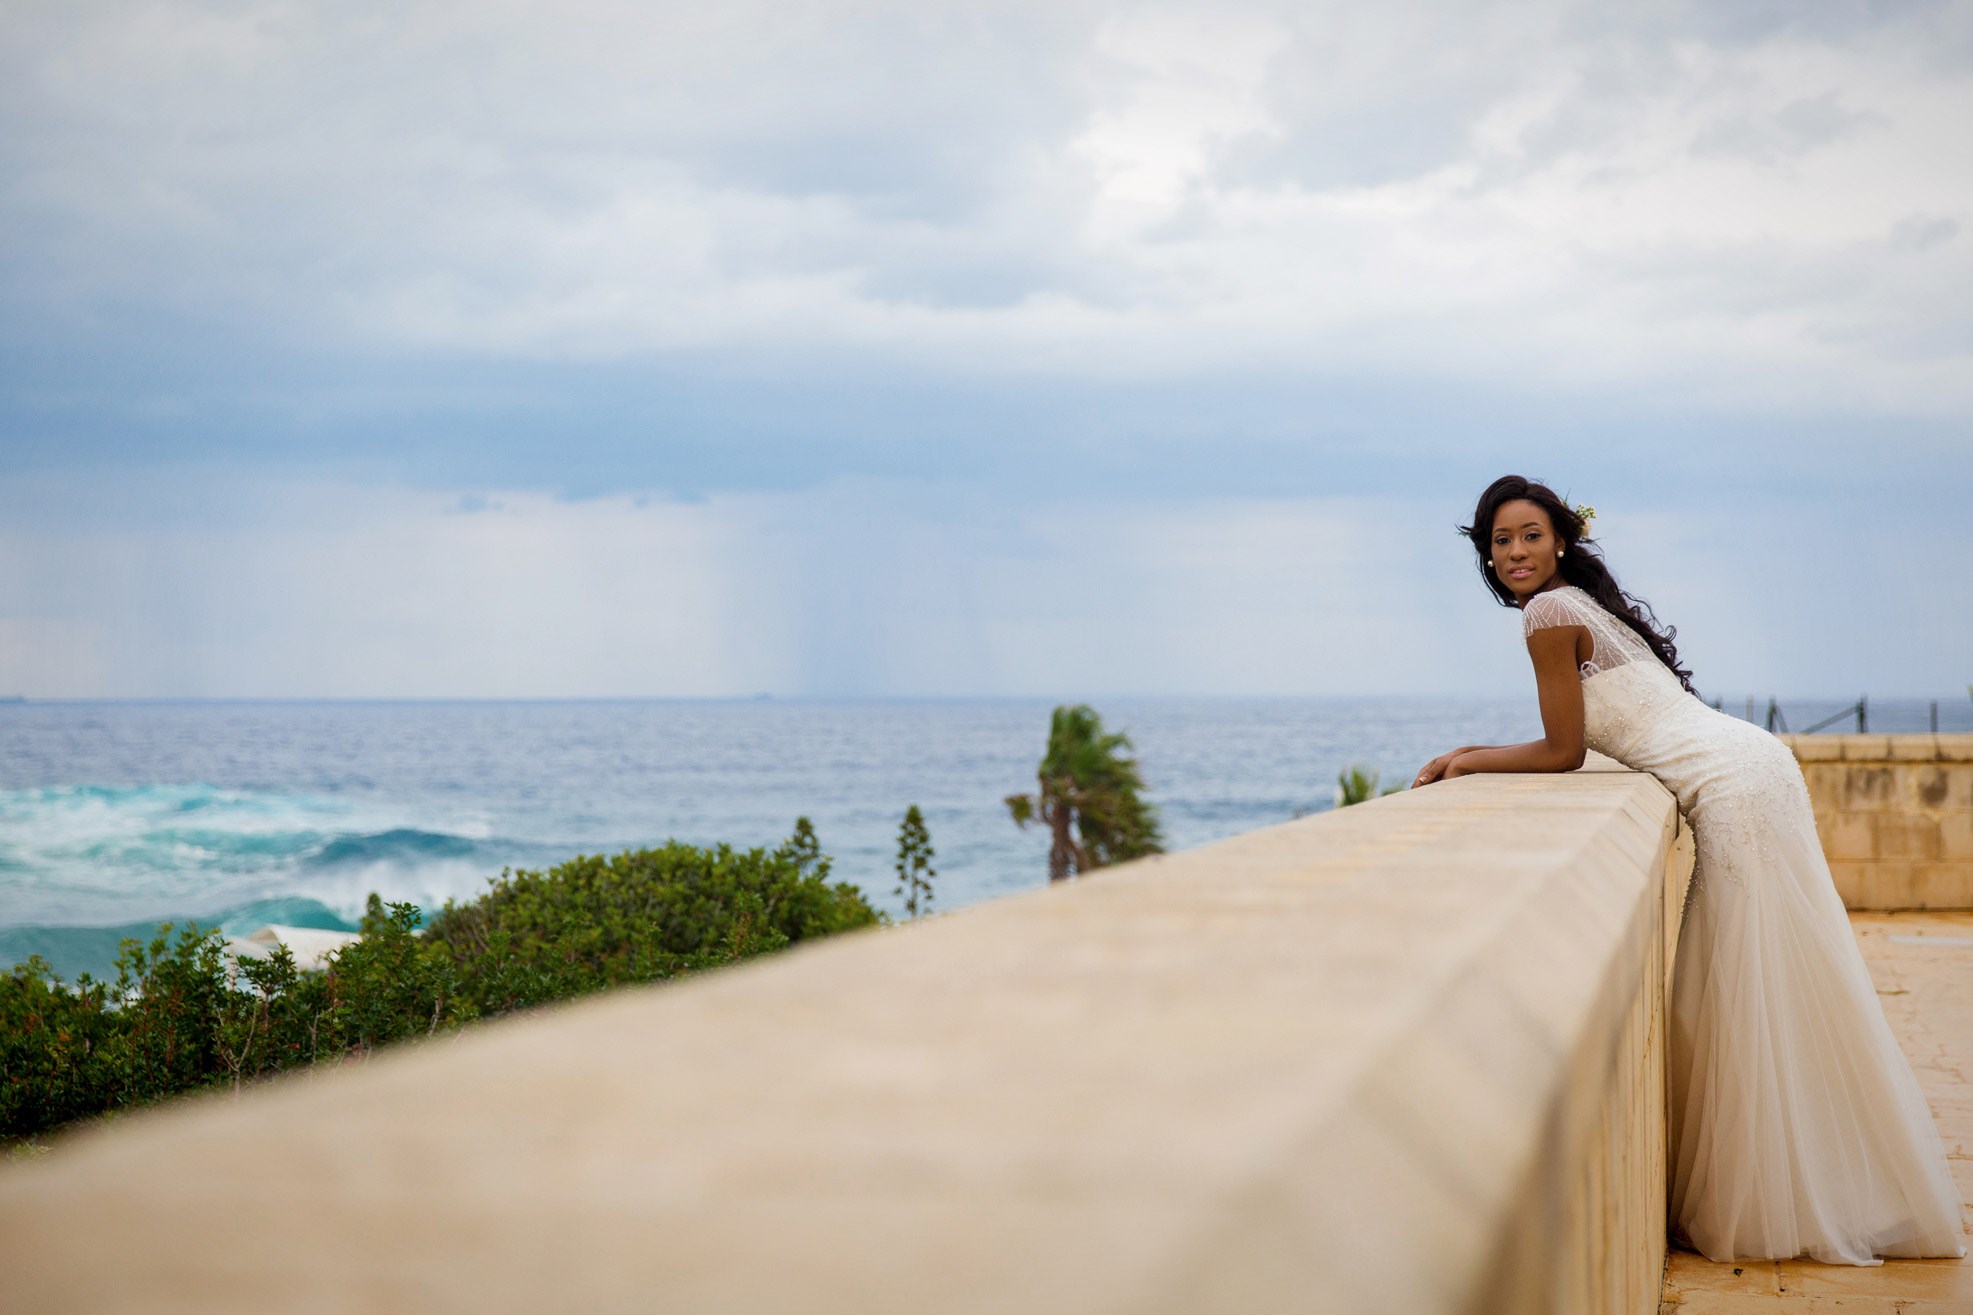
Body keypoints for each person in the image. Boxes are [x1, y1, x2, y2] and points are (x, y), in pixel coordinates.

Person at [1414, 474, 1965, 1267]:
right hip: (1756, 767)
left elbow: (1562, 753)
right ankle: (1835, 1185)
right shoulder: (1585, 606)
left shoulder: (1546, 614)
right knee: (1774, 988)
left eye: (1528, 534)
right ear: (1486, 553)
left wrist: (1466, 760)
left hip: (1736, 790)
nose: (1514, 552)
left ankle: (1776, 1206)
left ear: (1559, 539)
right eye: (1500, 540)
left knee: (1744, 994)